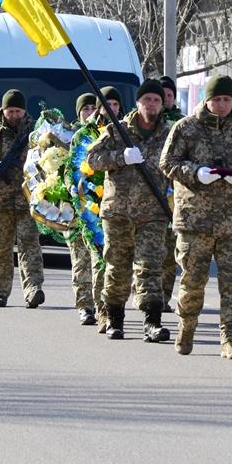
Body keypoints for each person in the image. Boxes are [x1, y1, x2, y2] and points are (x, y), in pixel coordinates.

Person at [160, 74, 232, 358]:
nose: (222, 104)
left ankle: (231, 338)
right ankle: (187, 327)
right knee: (192, 281)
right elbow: (167, 162)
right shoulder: (186, 128)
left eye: (227, 99)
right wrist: (195, 173)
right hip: (195, 220)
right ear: (206, 100)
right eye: (216, 99)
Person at [86, 80, 173, 342]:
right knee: (117, 266)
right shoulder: (117, 130)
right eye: (147, 100)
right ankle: (115, 320)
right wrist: (121, 157)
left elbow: (179, 163)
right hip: (118, 213)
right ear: (137, 103)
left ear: (162, 105)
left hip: (153, 213)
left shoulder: (169, 134)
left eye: (156, 100)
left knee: (151, 266)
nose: (151, 105)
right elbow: (92, 159)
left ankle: (152, 322)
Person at [0, 89, 46, 309]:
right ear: (3, 110)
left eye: (18, 111)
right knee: (1, 249)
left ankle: (33, 289)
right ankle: (0, 292)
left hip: (28, 201)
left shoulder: (36, 132)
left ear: (24, 111)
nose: (14, 115)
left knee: (30, 247)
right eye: (10, 111)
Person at [67, 93, 99, 325]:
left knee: (100, 260)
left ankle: (103, 306)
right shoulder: (70, 136)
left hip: (99, 208)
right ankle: (85, 306)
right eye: (85, 109)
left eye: (92, 108)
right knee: (81, 260)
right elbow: (67, 169)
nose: (89, 113)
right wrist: (71, 187)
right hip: (77, 208)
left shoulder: (106, 133)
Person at [158, 75, 183, 311]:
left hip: (175, 196)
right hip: (149, 194)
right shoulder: (147, 122)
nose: (166, 99)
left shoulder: (182, 124)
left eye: (169, 95)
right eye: (162, 94)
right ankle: (146, 290)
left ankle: (164, 296)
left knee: (170, 251)